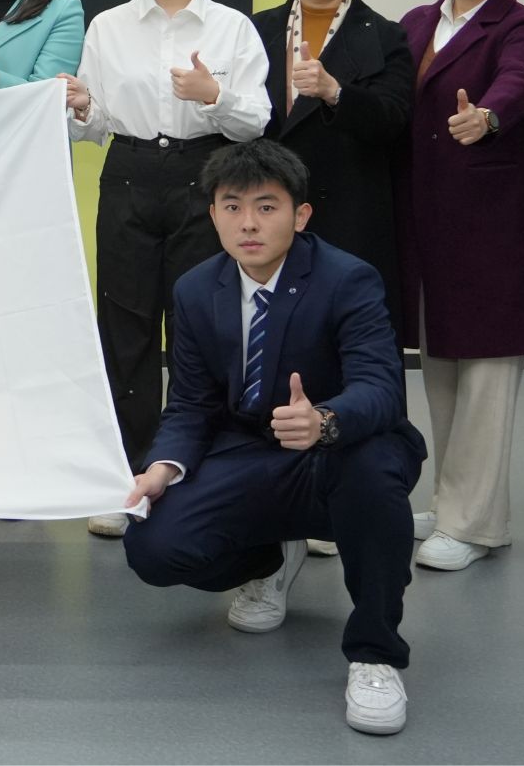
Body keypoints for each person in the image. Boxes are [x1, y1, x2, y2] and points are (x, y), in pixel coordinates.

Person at [122, 140, 425, 736]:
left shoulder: (347, 278)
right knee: (153, 546)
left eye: (266, 207)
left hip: (343, 447)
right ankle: (270, 558)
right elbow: (190, 403)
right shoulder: (194, 289)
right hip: (251, 449)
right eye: (232, 207)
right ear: (212, 214)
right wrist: (162, 468)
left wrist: (325, 420)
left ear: (300, 215)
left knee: (373, 481)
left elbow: (382, 389)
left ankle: (375, 654)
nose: (249, 224)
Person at [64, 0, 270, 536]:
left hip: (203, 177)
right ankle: (127, 476)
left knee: (197, 328)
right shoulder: (109, 26)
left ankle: (190, 474)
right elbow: (94, 127)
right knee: (123, 328)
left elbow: (256, 121)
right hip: (127, 174)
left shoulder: (231, 27)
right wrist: (80, 108)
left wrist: (213, 95)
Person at [396, 0, 524, 572]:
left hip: (491, 228)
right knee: (443, 371)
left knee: (487, 375)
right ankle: (456, 500)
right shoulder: (418, 21)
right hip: (428, 223)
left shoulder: (523, 23)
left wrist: (488, 115)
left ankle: (475, 524)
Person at [250, 0, 413, 336]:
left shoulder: (385, 35)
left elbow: (393, 119)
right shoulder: (256, 29)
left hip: (350, 214)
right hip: (271, 212)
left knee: (351, 340)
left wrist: (334, 92)